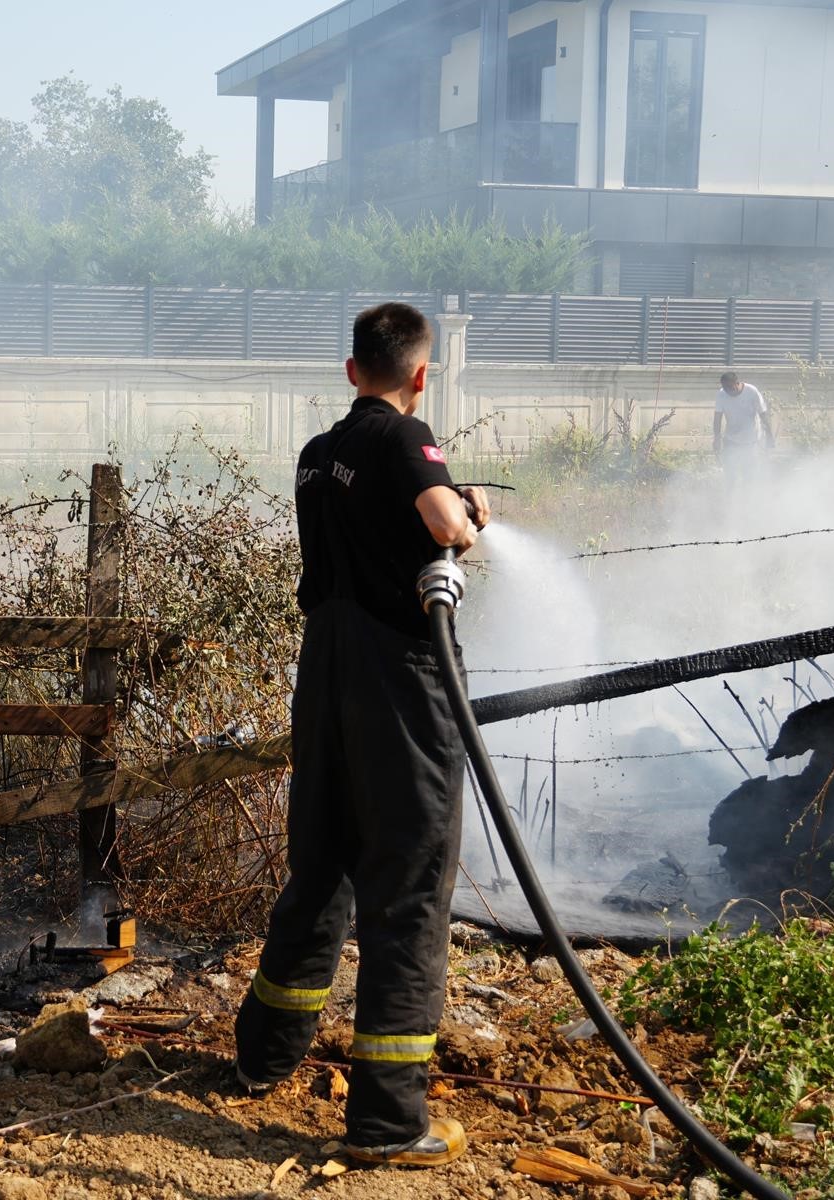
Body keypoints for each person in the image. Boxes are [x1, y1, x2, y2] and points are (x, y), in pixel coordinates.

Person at [233, 302, 489, 1168]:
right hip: (397, 684)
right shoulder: (405, 438)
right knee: (409, 884)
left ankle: (262, 1055)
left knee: (322, 864)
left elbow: (369, 527)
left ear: (352, 371)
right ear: (421, 375)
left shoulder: (315, 455)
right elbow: (444, 528)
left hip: (327, 675)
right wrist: (469, 512)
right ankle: (387, 1121)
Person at [712, 371, 775, 481]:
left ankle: (748, 497)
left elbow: (763, 414)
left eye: (729, 388)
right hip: (730, 440)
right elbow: (717, 417)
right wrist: (717, 438)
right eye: (725, 388)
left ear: (737, 383)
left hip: (751, 441)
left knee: (749, 475)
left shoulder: (751, 391)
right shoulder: (721, 394)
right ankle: (730, 497)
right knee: (730, 475)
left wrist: (769, 435)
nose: (727, 391)